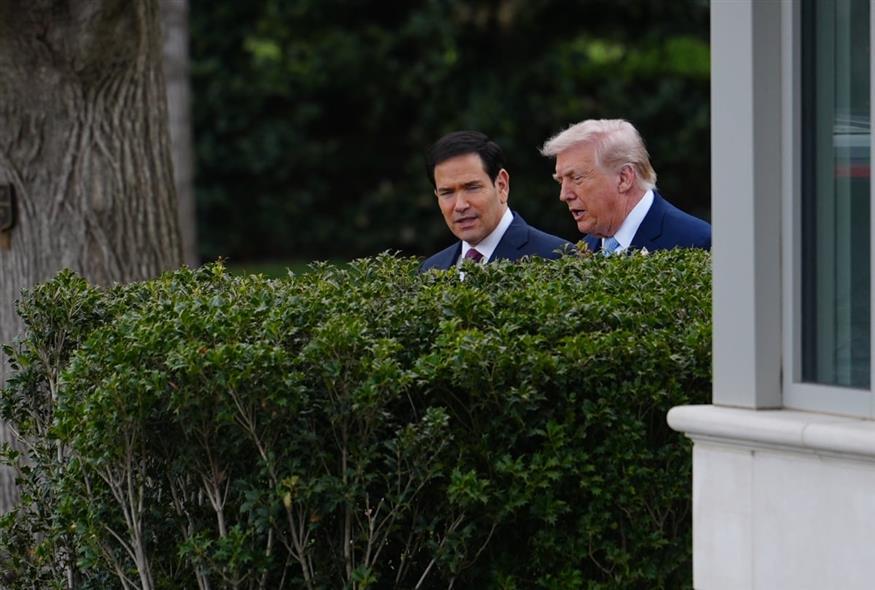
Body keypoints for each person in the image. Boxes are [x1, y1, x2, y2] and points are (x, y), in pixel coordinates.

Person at [540, 119, 710, 254]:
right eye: (561, 181)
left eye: (576, 178)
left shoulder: (698, 244)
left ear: (624, 178)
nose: (564, 195)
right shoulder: (581, 251)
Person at [420, 130, 571, 271]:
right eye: (447, 193)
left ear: (501, 185)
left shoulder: (557, 258)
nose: (460, 205)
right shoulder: (430, 270)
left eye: (472, 188)